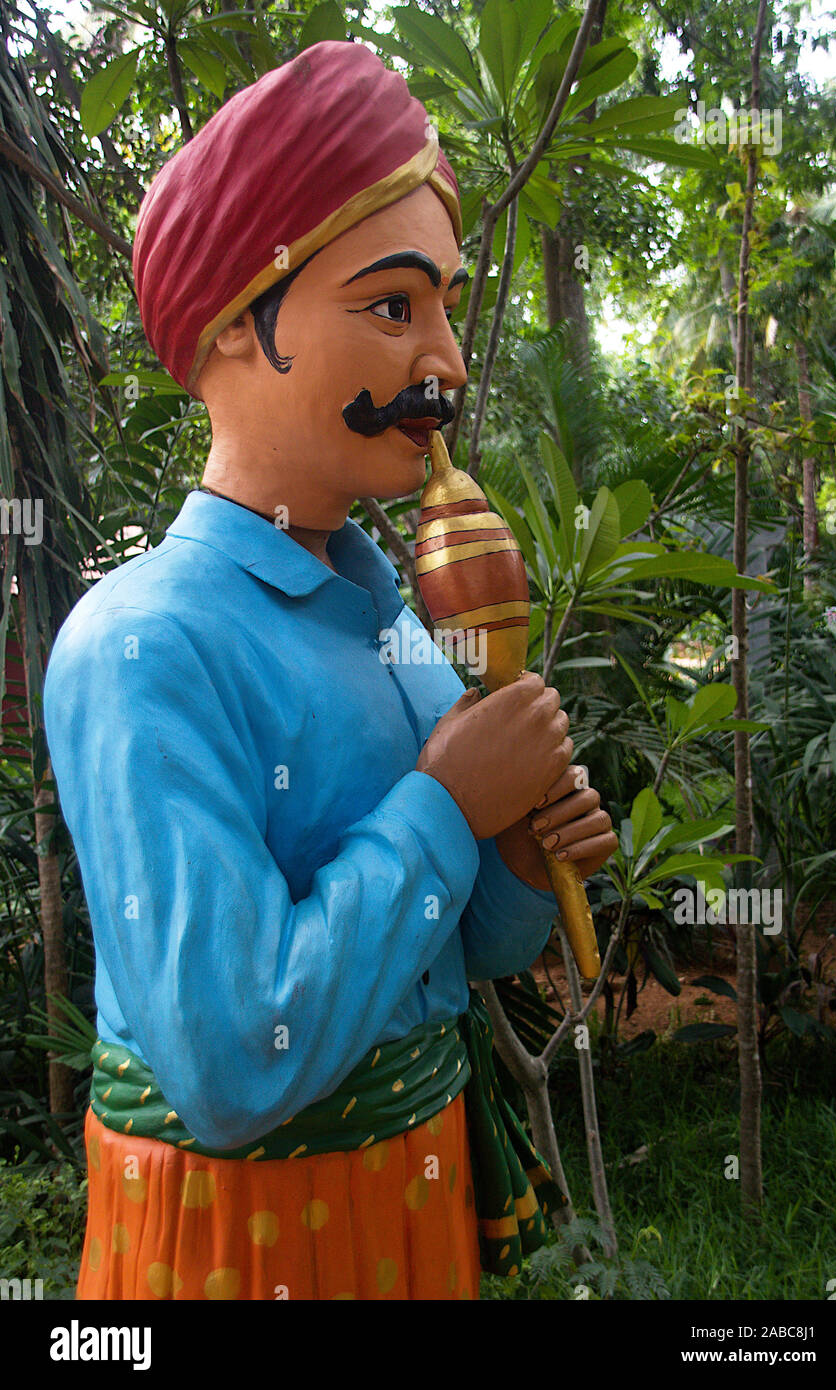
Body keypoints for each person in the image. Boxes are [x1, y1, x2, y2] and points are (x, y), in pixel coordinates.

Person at [44, 39, 617, 1302]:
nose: (447, 362)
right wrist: (447, 804)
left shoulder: (392, 620)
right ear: (239, 327)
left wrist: (517, 861)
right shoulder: (140, 649)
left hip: (416, 1210)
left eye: (444, 308)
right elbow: (234, 1061)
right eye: (392, 306)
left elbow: (450, 959)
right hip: (239, 1244)